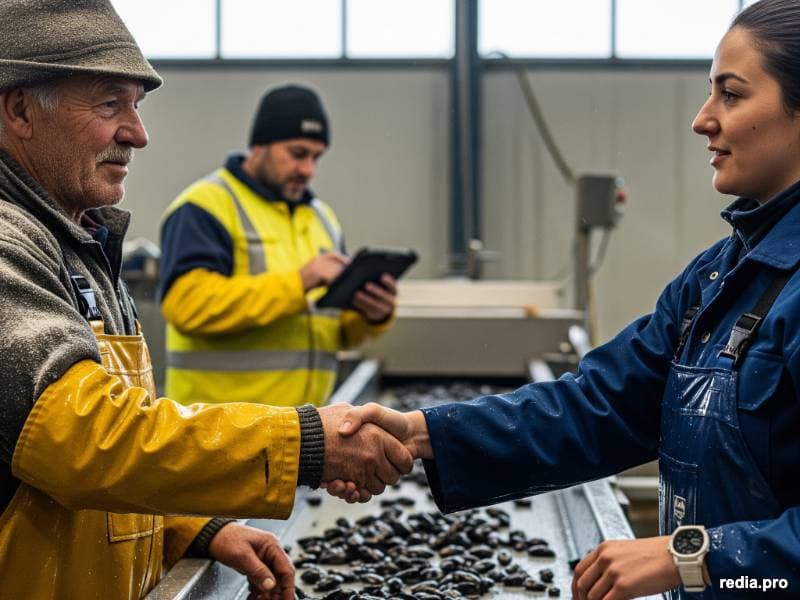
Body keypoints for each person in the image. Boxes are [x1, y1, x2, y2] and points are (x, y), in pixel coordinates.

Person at [330, 1, 800, 598]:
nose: (703, 119)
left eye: (731, 95)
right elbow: (597, 407)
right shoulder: (715, 279)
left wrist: (699, 557)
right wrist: (421, 433)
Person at [0, 2, 410, 598]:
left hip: (237, 464)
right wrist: (306, 444)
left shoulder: (80, 239)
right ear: (19, 110)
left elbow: (75, 481)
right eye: (110, 103)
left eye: (135, 107)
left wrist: (188, 527)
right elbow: (87, 441)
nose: (137, 133)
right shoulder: (11, 244)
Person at [158, 84, 397, 408]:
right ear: (259, 145)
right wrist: (301, 281)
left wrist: (372, 315)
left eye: (316, 157)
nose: (308, 170)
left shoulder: (322, 218)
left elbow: (334, 332)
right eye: (298, 153)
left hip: (304, 431)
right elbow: (187, 306)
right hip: (218, 436)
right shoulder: (205, 207)